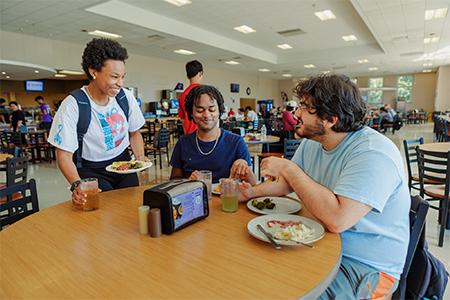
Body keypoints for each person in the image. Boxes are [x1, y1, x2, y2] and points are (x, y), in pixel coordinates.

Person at [238, 75, 410, 299]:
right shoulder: (314, 141)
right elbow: (286, 184)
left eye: (304, 107)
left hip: (366, 265)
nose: (295, 113)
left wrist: (289, 168)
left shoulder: (373, 152)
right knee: (257, 277)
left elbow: (338, 219)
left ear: (330, 119)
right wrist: (250, 193)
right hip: (321, 244)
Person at [48, 38, 146, 208]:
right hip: (92, 172)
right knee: (103, 217)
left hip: (124, 165)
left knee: (130, 210)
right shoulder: (73, 104)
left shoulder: (125, 97)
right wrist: (76, 184)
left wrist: (139, 157)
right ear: (93, 72)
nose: (120, 83)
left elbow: (134, 133)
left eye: (123, 77)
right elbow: (63, 155)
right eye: (114, 77)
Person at [170, 85, 256, 185]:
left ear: (220, 111)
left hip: (226, 198)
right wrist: (189, 181)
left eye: (212, 109)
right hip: (194, 198)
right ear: (191, 113)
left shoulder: (236, 142)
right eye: (200, 110)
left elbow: (253, 184)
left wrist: (245, 169)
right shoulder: (183, 143)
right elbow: (173, 181)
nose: (206, 115)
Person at [178, 60, 203, 134]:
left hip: (190, 135)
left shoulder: (182, 95)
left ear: (187, 76)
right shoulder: (205, 92)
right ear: (201, 73)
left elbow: (183, 120)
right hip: (205, 135)